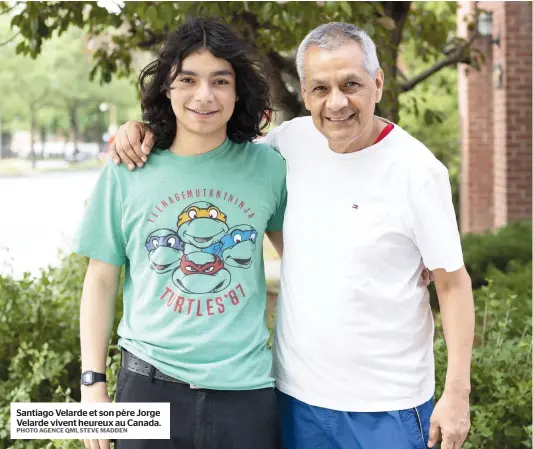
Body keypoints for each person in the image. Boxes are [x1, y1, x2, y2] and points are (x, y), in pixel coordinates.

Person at [110, 22, 474, 449]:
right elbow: (209, 147)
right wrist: (144, 129)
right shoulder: (289, 144)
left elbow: (453, 285)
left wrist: (457, 394)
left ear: (377, 84)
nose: (337, 102)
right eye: (320, 88)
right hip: (293, 398)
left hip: (386, 405)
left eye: (351, 84)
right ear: (304, 94)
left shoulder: (418, 171)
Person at [73, 18, 287, 449]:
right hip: (147, 385)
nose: (203, 95)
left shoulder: (269, 169)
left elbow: (306, 256)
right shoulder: (127, 169)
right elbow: (100, 280)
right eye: (187, 79)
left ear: (238, 90)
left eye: (220, 81)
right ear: (167, 87)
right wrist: (92, 386)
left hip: (245, 393)